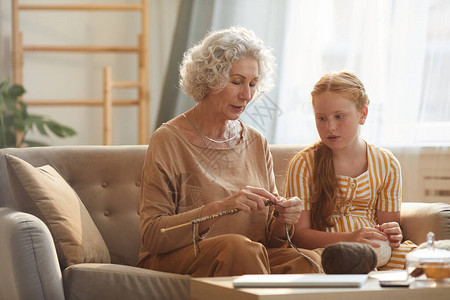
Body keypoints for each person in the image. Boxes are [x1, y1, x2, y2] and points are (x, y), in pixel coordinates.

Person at [136, 27, 321, 277]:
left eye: (253, 84)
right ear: (209, 79)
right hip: (177, 258)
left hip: (247, 257)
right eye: (236, 82)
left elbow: (270, 240)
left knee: (309, 260)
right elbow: (154, 236)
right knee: (238, 248)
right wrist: (222, 207)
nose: (246, 95)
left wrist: (282, 219)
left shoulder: (256, 141)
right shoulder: (168, 139)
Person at [286, 71, 416, 270]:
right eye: (321, 118)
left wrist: (393, 234)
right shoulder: (303, 164)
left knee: (422, 259)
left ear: (362, 114)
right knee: (324, 263)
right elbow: (299, 235)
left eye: (339, 116)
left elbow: (388, 227)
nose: (330, 127)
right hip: (325, 252)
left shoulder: (387, 163)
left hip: (376, 251)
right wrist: (350, 238)